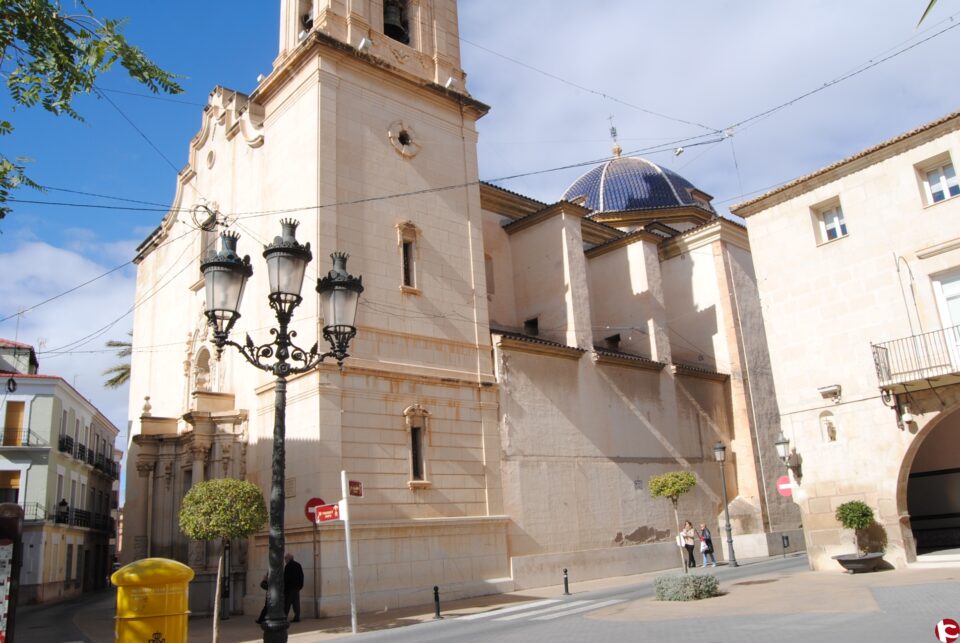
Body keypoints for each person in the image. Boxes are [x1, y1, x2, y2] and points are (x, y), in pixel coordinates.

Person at [284, 553, 304, 623]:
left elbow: (286, 578)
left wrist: (285, 588)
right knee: (296, 603)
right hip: (296, 587)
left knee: (287, 603)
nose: (285, 560)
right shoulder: (298, 565)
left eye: (285, 558)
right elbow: (301, 576)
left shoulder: (287, 566)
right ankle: (297, 617)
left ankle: (284, 617)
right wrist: (300, 586)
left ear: (288, 558)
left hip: (289, 588)